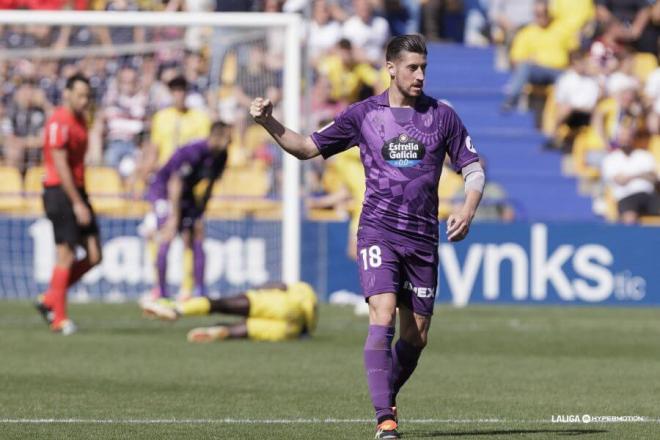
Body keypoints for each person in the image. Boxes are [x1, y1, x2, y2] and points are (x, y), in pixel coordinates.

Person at [250, 34, 485, 439]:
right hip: (377, 230)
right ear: (390, 68)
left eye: (424, 67)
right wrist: (268, 122)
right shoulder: (363, 115)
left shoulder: (442, 116)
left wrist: (467, 208)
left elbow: (473, 167)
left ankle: (384, 391)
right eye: (412, 67)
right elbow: (307, 148)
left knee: (418, 336)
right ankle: (385, 420)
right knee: (383, 313)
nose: (420, 75)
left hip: (423, 239)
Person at [35, 74, 102, 335]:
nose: (85, 100)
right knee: (66, 253)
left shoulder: (82, 120)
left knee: (95, 255)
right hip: (60, 192)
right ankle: (59, 319)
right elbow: (60, 164)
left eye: (88, 96)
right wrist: (77, 203)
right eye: (80, 95)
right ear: (67, 94)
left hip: (78, 191)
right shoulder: (59, 121)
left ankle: (50, 298)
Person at [147, 121, 232, 299]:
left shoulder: (222, 155)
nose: (230, 141)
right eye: (227, 137)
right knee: (167, 236)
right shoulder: (193, 152)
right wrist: (174, 218)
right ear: (216, 136)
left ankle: (200, 291)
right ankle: (161, 291)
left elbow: (210, 183)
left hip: (186, 195)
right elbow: (174, 183)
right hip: (164, 191)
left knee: (198, 235)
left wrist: (201, 210)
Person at [140, 281, 318, 342]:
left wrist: (257, 290)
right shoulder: (310, 303)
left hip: (283, 304)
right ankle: (222, 332)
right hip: (291, 330)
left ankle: (178, 308)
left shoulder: (299, 289)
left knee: (222, 304)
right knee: (248, 330)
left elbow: (280, 285)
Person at [601, 123, 660, 224]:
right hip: (626, 196)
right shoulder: (611, 159)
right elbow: (620, 180)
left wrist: (630, 176)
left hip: (648, 194)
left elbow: (654, 177)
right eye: (623, 136)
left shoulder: (644, 155)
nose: (626, 139)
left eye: (628, 136)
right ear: (618, 138)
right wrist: (641, 174)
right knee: (630, 217)